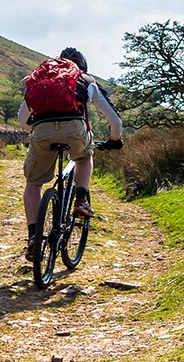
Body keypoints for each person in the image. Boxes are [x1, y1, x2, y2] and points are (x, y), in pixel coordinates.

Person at [18, 47, 123, 262]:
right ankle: (81, 200)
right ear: (82, 67)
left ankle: (32, 237)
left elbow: (22, 118)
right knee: (84, 157)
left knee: (33, 183)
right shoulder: (85, 79)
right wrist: (115, 139)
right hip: (75, 129)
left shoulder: (40, 78)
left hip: (41, 130)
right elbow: (114, 119)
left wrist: (38, 131)